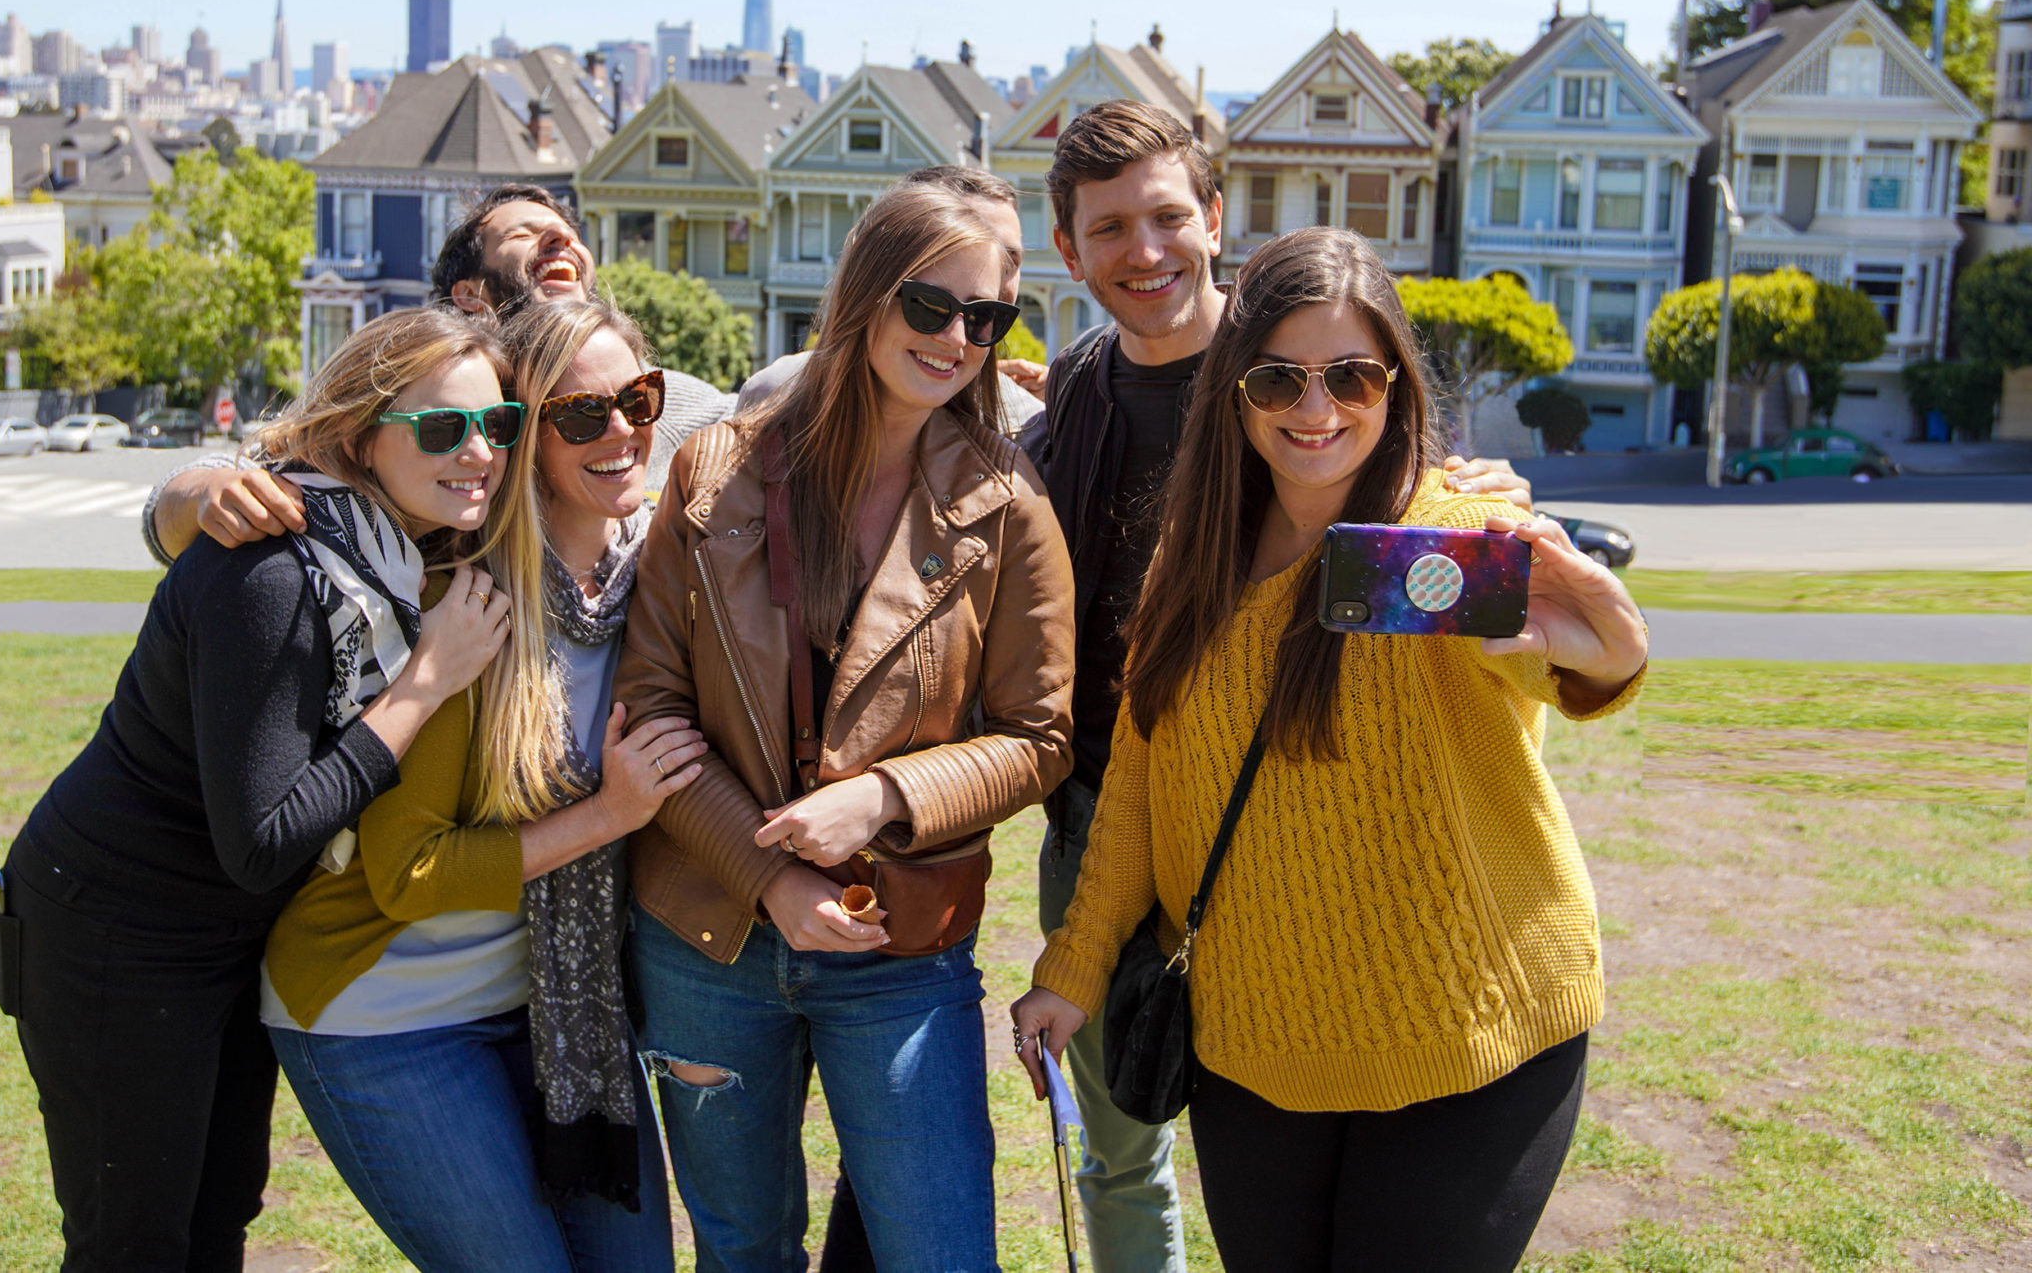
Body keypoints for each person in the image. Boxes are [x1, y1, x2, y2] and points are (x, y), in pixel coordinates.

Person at [1012, 228, 1648, 1273]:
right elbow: (1137, 784)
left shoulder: (1449, 535)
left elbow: (1547, 668)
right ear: (1233, 389)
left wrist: (1604, 660)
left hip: (1469, 1035)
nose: (1315, 410)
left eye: (1350, 375)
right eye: (1278, 378)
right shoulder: (1192, 560)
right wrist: (1072, 966)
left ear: (1393, 384)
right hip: (1256, 1047)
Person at [613, 170, 1075, 1272]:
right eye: (931, 304)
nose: (957, 338)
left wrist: (882, 796)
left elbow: (1040, 733)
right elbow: (652, 704)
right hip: (708, 935)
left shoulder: (1005, 504)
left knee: (940, 1250)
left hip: (897, 939)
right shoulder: (714, 470)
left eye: (985, 317)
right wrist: (769, 872)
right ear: (864, 293)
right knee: (743, 1250)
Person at [0, 307, 523, 1271]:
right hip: (118, 927)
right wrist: (426, 685)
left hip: (225, 938)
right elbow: (264, 837)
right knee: (135, 1241)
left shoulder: (392, 554)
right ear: (362, 436)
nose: (480, 452)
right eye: (445, 428)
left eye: (501, 424)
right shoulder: (277, 565)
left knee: (218, 1214)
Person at [259, 296, 702, 1271]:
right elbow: (405, 872)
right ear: (522, 440)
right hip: (381, 1009)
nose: (622, 430)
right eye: (580, 414)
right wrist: (607, 816)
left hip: (549, 1007)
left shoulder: (653, 586)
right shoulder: (465, 609)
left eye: (639, 397)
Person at [142, 183, 734, 559]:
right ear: (470, 296)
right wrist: (202, 495)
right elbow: (259, 464)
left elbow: (768, 418)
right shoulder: (433, 404)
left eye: (571, 237)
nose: (560, 237)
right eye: (524, 234)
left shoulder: (659, 400)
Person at [736, 165, 1047, 436]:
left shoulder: (1026, 428)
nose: (986, 267)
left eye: (1010, 259)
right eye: (957, 239)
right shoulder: (775, 398)